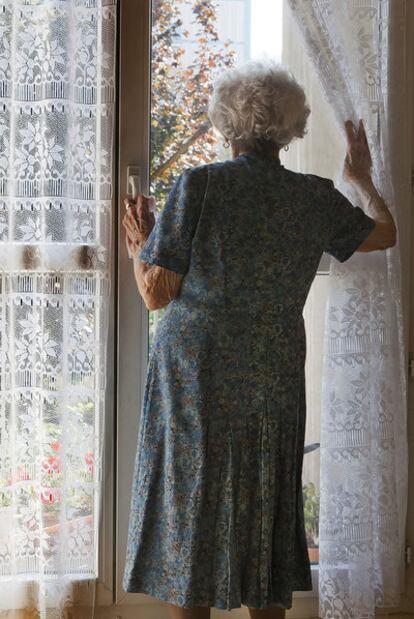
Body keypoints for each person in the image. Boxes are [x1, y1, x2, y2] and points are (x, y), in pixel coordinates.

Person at [121, 60, 396, 619]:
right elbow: (385, 233)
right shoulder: (313, 197)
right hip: (272, 369)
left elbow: (155, 293)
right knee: (265, 496)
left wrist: (138, 246)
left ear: (227, 125)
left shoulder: (199, 185)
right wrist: (361, 178)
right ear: (291, 128)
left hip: (197, 369)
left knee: (195, 499)